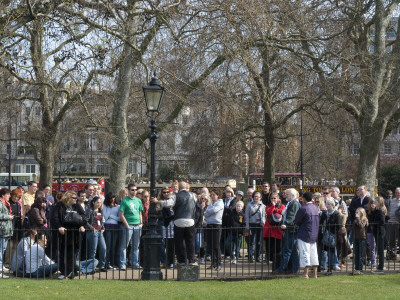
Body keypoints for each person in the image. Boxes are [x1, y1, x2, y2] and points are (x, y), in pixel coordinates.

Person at [154, 181, 197, 266]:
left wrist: (157, 201)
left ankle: (181, 261)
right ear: (186, 187)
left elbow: (167, 203)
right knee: (190, 242)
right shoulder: (193, 196)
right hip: (190, 221)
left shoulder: (176, 196)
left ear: (179, 188)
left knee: (179, 242)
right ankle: (191, 260)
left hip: (179, 221)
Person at [50, 191, 86, 279]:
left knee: (72, 254)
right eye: (74, 198)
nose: (76, 199)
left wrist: (82, 225)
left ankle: (70, 272)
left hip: (74, 234)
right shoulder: (59, 205)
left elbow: (84, 216)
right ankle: (63, 272)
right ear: (68, 198)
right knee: (62, 253)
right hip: (62, 234)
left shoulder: (77, 206)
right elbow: (54, 218)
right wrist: (59, 227)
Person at [275, 188, 301, 274]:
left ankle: (282, 269)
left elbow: (292, 216)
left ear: (293, 196)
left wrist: (286, 224)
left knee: (287, 250)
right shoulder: (292, 203)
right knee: (293, 250)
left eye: (288, 194)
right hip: (291, 229)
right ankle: (293, 268)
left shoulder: (294, 204)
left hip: (291, 229)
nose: (286, 195)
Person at [295, 192, 319, 279]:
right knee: (314, 254)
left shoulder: (304, 208)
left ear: (304, 199)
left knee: (305, 253)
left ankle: (305, 274)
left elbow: (297, 220)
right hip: (314, 234)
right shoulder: (315, 208)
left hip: (304, 233)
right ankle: (315, 274)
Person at [119, 183, 143, 270]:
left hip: (137, 225)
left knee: (136, 246)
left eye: (135, 190)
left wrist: (141, 223)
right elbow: (121, 214)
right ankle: (123, 264)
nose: (134, 191)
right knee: (124, 246)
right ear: (128, 190)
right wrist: (127, 225)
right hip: (128, 225)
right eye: (132, 190)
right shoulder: (124, 200)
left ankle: (135, 263)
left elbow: (140, 213)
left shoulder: (138, 200)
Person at [263, 192, 285, 269]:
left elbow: (282, 212)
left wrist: (276, 209)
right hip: (269, 228)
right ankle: (270, 259)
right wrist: (273, 206)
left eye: (274, 198)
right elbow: (268, 212)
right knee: (269, 246)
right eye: (272, 198)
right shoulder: (268, 206)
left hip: (278, 229)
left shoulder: (282, 206)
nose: (273, 200)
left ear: (278, 198)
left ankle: (277, 262)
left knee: (278, 246)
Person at [204, 189, 224, 270]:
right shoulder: (211, 204)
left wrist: (209, 211)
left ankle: (219, 263)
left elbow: (214, 210)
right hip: (209, 224)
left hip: (216, 225)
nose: (212, 196)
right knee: (210, 245)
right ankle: (213, 263)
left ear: (218, 195)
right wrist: (209, 212)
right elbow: (205, 213)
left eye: (213, 195)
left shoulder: (220, 203)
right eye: (211, 195)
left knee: (216, 245)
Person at [319, 198, 340, 274]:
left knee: (331, 251)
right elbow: (320, 222)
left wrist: (331, 229)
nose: (327, 206)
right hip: (324, 234)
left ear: (332, 205)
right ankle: (323, 265)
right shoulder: (325, 213)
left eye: (329, 204)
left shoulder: (336, 213)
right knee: (324, 251)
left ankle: (330, 267)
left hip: (332, 235)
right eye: (326, 204)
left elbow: (338, 225)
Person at [86, 196, 107, 272]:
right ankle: (91, 267)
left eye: (100, 202)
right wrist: (92, 228)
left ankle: (102, 265)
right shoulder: (90, 210)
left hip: (99, 232)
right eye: (97, 202)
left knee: (103, 248)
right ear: (93, 202)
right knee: (93, 250)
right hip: (92, 232)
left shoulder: (100, 210)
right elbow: (86, 221)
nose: (99, 204)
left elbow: (101, 221)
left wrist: (103, 228)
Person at [245, 191, 266, 263]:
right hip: (251, 224)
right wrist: (247, 226)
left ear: (260, 198)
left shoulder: (262, 205)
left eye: (258, 196)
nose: (256, 198)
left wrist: (263, 222)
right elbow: (247, 216)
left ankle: (258, 256)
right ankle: (250, 257)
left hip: (259, 224)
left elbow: (263, 215)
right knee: (251, 241)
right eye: (255, 196)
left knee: (259, 241)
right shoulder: (249, 205)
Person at [103, 192, 120, 269]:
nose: (112, 200)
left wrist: (111, 216)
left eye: (113, 198)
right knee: (108, 245)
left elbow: (120, 218)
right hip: (107, 226)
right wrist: (110, 208)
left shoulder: (118, 206)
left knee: (114, 246)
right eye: (111, 198)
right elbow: (105, 218)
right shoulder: (105, 206)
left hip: (115, 227)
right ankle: (107, 262)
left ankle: (113, 263)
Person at [226, 200, 246, 264]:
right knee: (227, 243)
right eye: (237, 206)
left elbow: (244, 224)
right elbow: (229, 221)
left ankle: (235, 258)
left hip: (239, 233)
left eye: (239, 206)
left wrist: (242, 232)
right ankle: (232, 256)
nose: (238, 207)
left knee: (237, 246)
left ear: (242, 207)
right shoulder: (232, 213)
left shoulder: (243, 215)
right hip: (231, 232)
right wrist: (229, 229)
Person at [0, 188, 14, 279]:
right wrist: (8, 216)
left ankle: (1, 266)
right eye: (8, 194)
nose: (9, 196)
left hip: (5, 230)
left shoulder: (5, 203)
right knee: (1, 249)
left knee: (3, 248)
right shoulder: (1, 204)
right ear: (3, 195)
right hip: (2, 230)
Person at [371, 197, 387, 273]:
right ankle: (380, 266)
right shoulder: (377, 210)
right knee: (379, 249)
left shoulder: (380, 211)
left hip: (380, 231)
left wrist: (375, 223)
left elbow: (382, 221)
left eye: (376, 202)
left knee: (380, 250)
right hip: (377, 231)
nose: (374, 203)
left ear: (379, 202)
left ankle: (381, 267)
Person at [352, 207, 368, 275]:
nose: (356, 214)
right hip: (356, 237)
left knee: (361, 254)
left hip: (362, 238)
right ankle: (356, 268)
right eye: (356, 212)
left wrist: (358, 219)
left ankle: (360, 269)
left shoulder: (364, 219)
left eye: (357, 212)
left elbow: (361, 226)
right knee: (356, 254)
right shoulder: (355, 220)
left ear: (361, 213)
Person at [386, 187, 400, 260]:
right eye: (396, 193)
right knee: (391, 240)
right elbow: (389, 210)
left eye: (398, 193)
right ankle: (392, 255)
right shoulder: (392, 201)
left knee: (398, 240)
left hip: (398, 223)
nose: (397, 194)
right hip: (391, 222)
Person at [366, 199, 377, 267]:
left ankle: (376, 261)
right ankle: (373, 261)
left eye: (374, 203)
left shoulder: (377, 211)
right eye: (371, 203)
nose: (373, 205)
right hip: (369, 230)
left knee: (376, 246)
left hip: (376, 230)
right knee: (371, 246)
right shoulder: (368, 212)